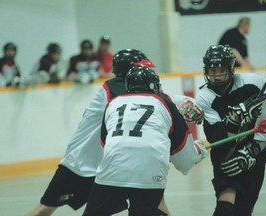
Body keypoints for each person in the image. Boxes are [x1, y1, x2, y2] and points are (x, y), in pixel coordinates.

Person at [26, 49, 204, 216]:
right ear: (130, 71)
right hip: (82, 164)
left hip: (109, 163)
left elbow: (161, 97)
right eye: (144, 68)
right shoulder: (115, 89)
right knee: (44, 210)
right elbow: (160, 99)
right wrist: (184, 104)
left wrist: (186, 103)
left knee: (157, 202)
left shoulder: (124, 90)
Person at [83, 66, 208, 216]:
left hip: (111, 170)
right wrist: (197, 151)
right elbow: (184, 161)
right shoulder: (165, 103)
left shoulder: (113, 102)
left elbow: (104, 142)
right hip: (149, 174)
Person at [196, 44, 266, 216]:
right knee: (225, 204)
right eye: (211, 70)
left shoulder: (253, 83)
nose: (215, 76)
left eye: (221, 70)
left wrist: (251, 152)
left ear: (231, 69)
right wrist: (238, 116)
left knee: (244, 210)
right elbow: (218, 138)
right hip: (226, 155)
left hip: (254, 151)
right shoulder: (204, 97)